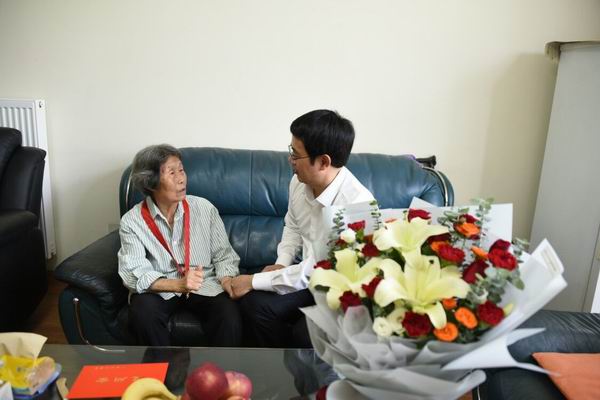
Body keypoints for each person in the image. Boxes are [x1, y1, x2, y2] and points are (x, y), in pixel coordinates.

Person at [230, 109, 374, 348]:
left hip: (342, 291)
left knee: (305, 333)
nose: (290, 160)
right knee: (255, 306)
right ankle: (275, 366)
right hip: (309, 280)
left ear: (323, 162)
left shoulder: (357, 205)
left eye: (296, 155)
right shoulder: (299, 182)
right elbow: (293, 226)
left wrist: (253, 280)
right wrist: (282, 262)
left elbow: (318, 268)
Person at [118, 144, 242, 347]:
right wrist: (177, 285)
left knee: (228, 314)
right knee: (143, 312)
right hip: (160, 288)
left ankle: (221, 368)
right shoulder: (132, 221)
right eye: (172, 172)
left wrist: (227, 279)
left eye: (182, 170)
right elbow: (132, 273)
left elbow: (224, 255)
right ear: (150, 182)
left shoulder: (204, 208)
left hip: (204, 283)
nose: (181, 178)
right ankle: (164, 367)